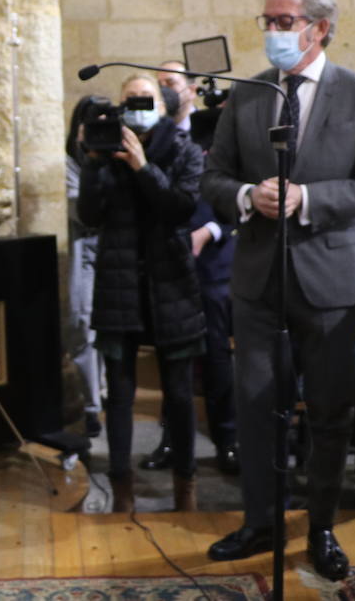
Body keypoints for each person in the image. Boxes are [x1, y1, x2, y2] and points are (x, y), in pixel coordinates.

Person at [203, 0, 355, 582]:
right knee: (258, 404)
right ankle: (261, 519)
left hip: (330, 277)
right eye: (266, 20)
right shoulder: (248, 93)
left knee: (330, 411)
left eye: (282, 21)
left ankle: (320, 527)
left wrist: (307, 198)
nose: (270, 32)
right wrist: (245, 194)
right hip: (259, 277)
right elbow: (212, 179)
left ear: (319, 27)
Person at [76, 74, 205, 513]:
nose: (136, 106)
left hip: (172, 284)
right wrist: (93, 161)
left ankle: (185, 486)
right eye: (129, 99)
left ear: (166, 108)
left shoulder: (185, 152)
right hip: (120, 286)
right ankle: (122, 488)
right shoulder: (107, 153)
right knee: (120, 395)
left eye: (145, 100)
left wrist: (141, 166)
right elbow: (89, 215)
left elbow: (181, 207)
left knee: (181, 395)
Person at [141, 61, 239, 477]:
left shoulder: (215, 135)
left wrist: (210, 231)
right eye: (160, 84)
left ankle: (228, 441)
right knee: (172, 362)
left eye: (173, 84)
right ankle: (172, 441)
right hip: (168, 267)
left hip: (212, 264)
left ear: (193, 89)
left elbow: (237, 203)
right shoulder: (151, 138)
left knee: (217, 359)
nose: (166, 91)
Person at [66, 95, 108, 438]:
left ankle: (103, 391)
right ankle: (91, 406)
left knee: (111, 330)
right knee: (84, 327)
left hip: (116, 254)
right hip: (85, 252)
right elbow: (82, 212)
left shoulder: (120, 158)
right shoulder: (68, 163)